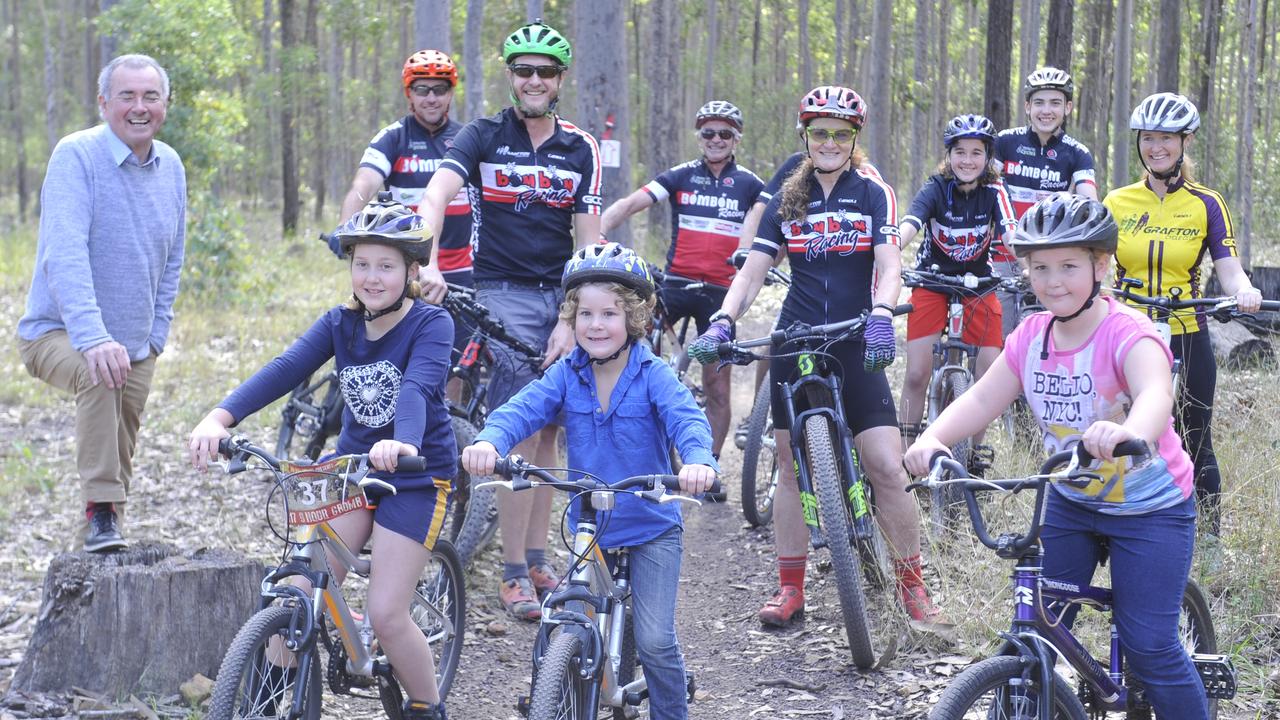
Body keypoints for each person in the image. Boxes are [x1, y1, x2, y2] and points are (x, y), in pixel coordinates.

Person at [905, 193, 1210, 720]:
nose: (1053, 281)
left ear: (1100, 266)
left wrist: (1127, 432)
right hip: (1071, 500)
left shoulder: (1128, 334)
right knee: (1043, 624)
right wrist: (931, 439)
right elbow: (981, 397)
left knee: (1150, 647)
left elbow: (1157, 394)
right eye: (1040, 268)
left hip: (1150, 511)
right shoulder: (1030, 336)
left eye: (1069, 266)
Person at [188, 198, 455, 720]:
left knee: (386, 612)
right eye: (362, 264)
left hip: (416, 475)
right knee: (297, 589)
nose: (372, 277)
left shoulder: (432, 324)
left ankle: (427, 706)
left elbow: (418, 388)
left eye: (386, 266)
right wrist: (220, 417)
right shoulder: (341, 323)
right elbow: (286, 368)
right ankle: (258, 707)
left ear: (411, 270)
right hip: (352, 472)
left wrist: (402, 442)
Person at [689, 86, 942, 626]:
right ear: (805, 137)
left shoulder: (874, 192)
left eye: (841, 133)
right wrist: (724, 319)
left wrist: (881, 311)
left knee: (886, 467)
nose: (830, 141)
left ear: (855, 139)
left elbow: (890, 262)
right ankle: (790, 586)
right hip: (796, 338)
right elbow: (754, 270)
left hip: (856, 334)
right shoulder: (789, 194)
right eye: (820, 132)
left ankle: (914, 590)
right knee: (787, 464)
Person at [461, 242, 717, 720]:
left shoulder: (653, 375)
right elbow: (523, 408)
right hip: (589, 526)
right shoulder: (566, 373)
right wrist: (490, 442)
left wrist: (698, 461)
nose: (596, 325)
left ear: (635, 319)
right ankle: (556, 692)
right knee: (569, 619)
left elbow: (687, 421)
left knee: (657, 640)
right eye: (585, 314)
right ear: (571, 319)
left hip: (650, 525)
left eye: (609, 314)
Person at [415, 19, 602, 620]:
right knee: (523, 432)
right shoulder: (484, 135)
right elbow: (436, 195)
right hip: (502, 292)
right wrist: (427, 259)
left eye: (545, 72)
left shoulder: (581, 148)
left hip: (562, 294)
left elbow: (589, 244)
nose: (534, 80)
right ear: (511, 77)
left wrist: (573, 316)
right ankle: (514, 571)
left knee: (552, 433)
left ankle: (539, 556)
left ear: (560, 80)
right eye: (523, 70)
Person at [17, 54, 186, 553]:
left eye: (150, 96)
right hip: (57, 333)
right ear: (103, 102)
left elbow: (173, 256)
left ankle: (100, 551)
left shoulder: (171, 165)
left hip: (136, 344)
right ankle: (101, 515)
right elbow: (63, 255)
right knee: (98, 380)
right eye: (127, 96)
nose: (139, 107)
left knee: (118, 454)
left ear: (165, 104)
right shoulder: (77, 156)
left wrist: (155, 337)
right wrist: (93, 338)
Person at [1104, 92, 1262, 536]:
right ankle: (1121, 526)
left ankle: (1208, 539)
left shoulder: (1206, 203)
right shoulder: (1117, 202)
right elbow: (1096, 263)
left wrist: (1244, 291)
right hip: (1127, 334)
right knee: (1121, 435)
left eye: (1167, 138)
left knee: (1196, 440)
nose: (1157, 147)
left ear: (1185, 141)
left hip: (1187, 331)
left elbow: (1229, 268)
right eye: (1149, 137)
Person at [599, 100, 764, 464]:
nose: (716, 139)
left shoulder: (751, 185)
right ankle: (646, 453)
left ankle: (711, 462)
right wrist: (596, 233)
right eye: (709, 133)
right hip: (674, 284)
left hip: (721, 294)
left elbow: (773, 230)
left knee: (717, 386)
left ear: (736, 139)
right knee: (639, 366)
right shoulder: (681, 175)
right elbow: (629, 204)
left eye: (724, 133)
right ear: (699, 137)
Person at [898, 114, 1017, 457]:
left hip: (979, 284)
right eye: (960, 152)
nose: (967, 160)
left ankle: (974, 454)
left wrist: (1031, 264)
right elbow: (911, 222)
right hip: (932, 281)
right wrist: (891, 251)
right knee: (918, 373)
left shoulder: (995, 190)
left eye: (976, 152)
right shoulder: (936, 187)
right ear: (949, 155)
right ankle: (905, 454)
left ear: (988, 157)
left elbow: (1011, 233)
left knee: (988, 374)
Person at [993, 67, 1098, 334]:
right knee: (996, 341)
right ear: (1027, 107)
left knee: (1049, 336)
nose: (1046, 110)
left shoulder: (1077, 153)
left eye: (1055, 103)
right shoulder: (1005, 142)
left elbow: (1089, 202)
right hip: (1001, 256)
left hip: (1048, 258)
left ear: (1068, 107)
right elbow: (986, 190)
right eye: (1039, 102)